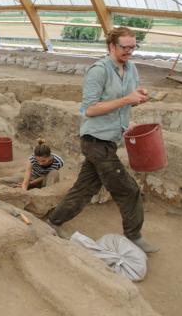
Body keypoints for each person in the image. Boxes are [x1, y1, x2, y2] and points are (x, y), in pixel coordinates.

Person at [47, 27, 158, 253]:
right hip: (95, 140)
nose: (129, 51)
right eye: (124, 47)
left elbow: (126, 99)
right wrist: (126, 98)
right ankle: (133, 235)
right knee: (128, 189)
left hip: (110, 139)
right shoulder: (98, 71)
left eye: (132, 47)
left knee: (85, 187)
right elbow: (90, 109)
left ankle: (54, 221)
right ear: (111, 46)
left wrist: (138, 97)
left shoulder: (131, 68)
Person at [0, 139, 64, 190]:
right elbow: (26, 179)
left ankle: (47, 194)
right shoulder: (32, 159)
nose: (40, 163)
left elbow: (46, 176)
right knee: (2, 181)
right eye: (38, 160)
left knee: (54, 173)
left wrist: (31, 184)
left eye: (43, 161)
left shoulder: (58, 161)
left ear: (49, 156)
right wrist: (24, 190)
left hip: (45, 181)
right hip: (33, 177)